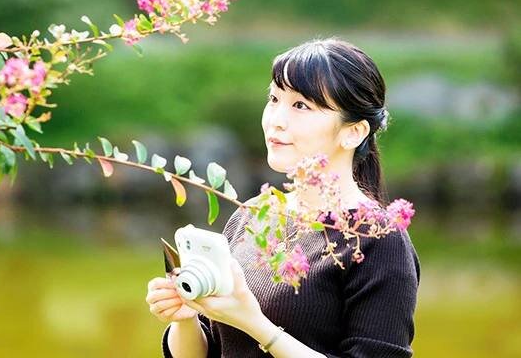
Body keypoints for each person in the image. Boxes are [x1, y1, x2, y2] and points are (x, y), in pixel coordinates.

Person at [145, 38, 421, 357]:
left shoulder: (377, 240)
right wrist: (186, 318)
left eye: (300, 106)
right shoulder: (253, 215)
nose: (276, 119)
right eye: (274, 99)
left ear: (353, 132)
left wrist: (256, 325)